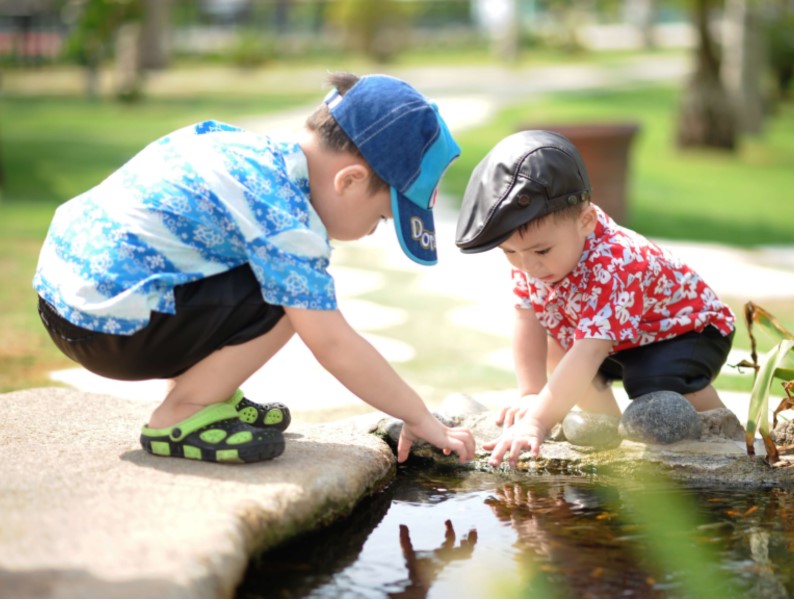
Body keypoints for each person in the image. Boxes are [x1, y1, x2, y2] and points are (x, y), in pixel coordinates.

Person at [34, 72, 476, 465]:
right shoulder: (284, 216)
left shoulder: (245, 150)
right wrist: (418, 416)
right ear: (350, 180)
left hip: (66, 300)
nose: (370, 232)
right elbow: (333, 345)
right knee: (294, 301)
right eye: (381, 219)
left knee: (271, 277)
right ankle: (183, 413)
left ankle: (210, 394)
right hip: (108, 329)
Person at [455, 130, 735, 467]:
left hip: (687, 332)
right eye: (509, 252)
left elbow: (590, 351)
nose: (528, 265)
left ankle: (722, 432)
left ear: (585, 221)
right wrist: (531, 393)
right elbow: (526, 319)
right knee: (559, 349)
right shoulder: (532, 258)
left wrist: (536, 422)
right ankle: (609, 435)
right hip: (621, 338)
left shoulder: (616, 262)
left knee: (652, 382)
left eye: (541, 250)